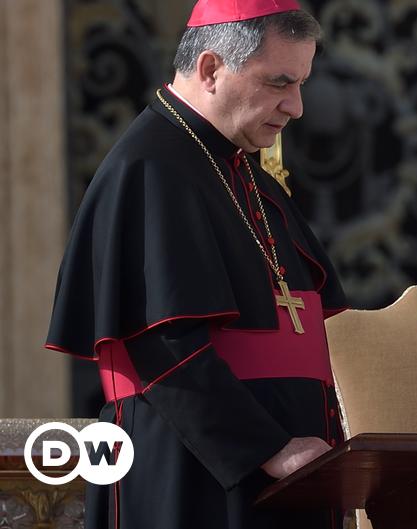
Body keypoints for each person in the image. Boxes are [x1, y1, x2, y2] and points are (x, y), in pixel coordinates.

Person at [45, 1, 347, 527]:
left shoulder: (246, 173)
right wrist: (265, 446)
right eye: (279, 83)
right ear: (211, 69)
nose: (296, 107)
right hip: (188, 476)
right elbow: (160, 346)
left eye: (301, 84)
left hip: (281, 476)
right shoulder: (148, 167)